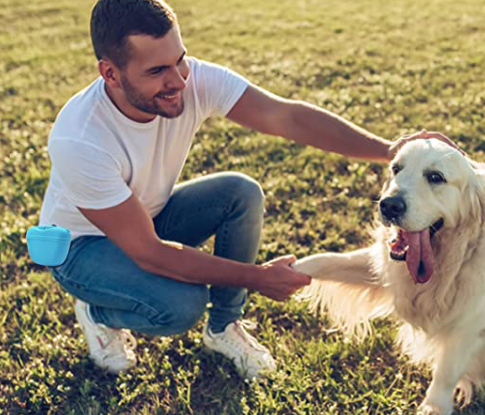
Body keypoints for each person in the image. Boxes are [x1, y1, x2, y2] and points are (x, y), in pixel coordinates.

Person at [39, 0, 458, 380]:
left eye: (179, 61)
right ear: (110, 73)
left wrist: (389, 150)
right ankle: (99, 312)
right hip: (83, 248)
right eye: (156, 72)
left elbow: (286, 117)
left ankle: (223, 328)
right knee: (180, 306)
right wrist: (259, 278)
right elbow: (150, 252)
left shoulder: (192, 79)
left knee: (240, 192)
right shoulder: (81, 140)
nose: (179, 80)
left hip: (148, 213)